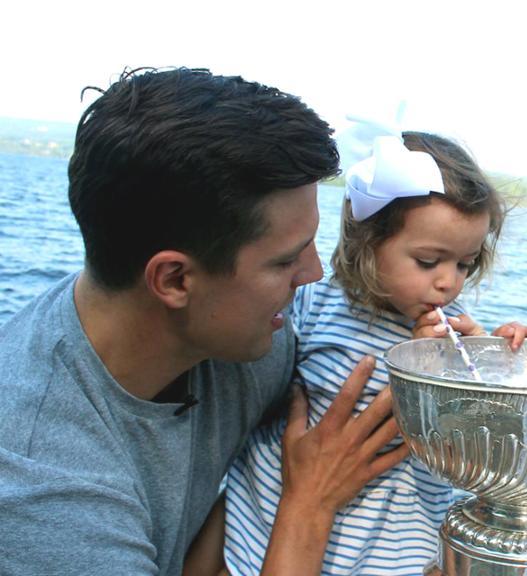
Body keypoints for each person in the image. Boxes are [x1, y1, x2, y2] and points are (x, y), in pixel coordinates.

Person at [0, 68, 408, 576]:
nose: (314, 274)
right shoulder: (43, 495)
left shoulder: (243, 330)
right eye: (284, 261)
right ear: (173, 280)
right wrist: (309, 506)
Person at [224, 117, 527, 575]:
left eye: (465, 263)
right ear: (368, 239)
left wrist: (506, 360)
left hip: (388, 552)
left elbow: (477, 441)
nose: (448, 282)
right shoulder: (310, 300)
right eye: (427, 261)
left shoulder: (451, 339)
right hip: (265, 535)